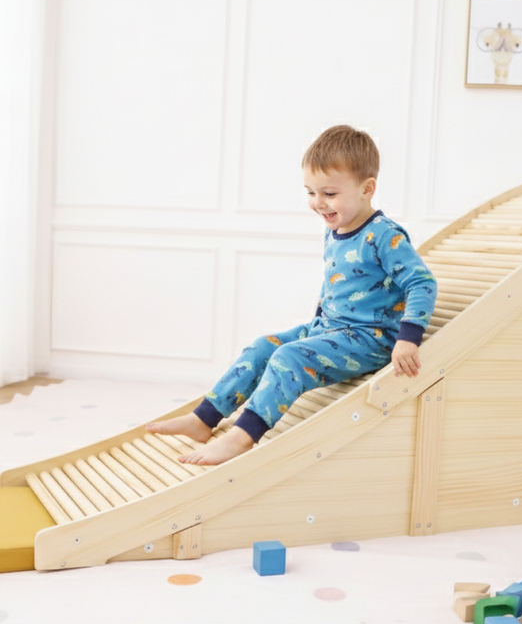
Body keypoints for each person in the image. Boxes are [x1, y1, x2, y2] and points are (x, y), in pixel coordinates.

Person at [147, 125, 437, 465]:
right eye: (310, 192)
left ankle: (241, 437)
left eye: (329, 193)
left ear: (367, 189)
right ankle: (204, 418)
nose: (318, 203)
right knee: (263, 347)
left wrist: (407, 339)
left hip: (370, 339)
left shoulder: (384, 235)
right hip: (330, 328)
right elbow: (334, 283)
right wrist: (318, 324)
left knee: (289, 358)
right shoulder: (336, 227)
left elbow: (422, 283)